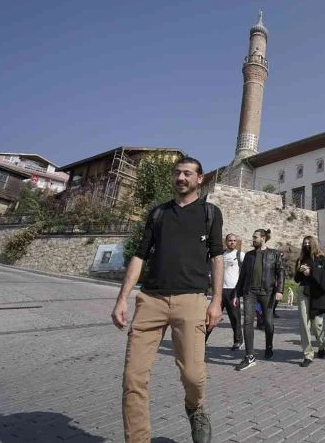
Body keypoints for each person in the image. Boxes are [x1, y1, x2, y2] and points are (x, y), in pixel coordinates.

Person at [111, 156, 222, 443]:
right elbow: (139, 255)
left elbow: (217, 258)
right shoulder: (158, 213)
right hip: (151, 301)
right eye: (177, 173)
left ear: (200, 179)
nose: (181, 178)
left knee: (194, 376)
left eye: (187, 173)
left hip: (191, 301)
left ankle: (194, 408)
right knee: (133, 378)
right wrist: (122, 298)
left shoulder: (210, 213)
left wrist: (216, 301)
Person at [233, 229, 284, 371]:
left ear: (263, 238)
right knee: (248, 322)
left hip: (267, 292)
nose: (253, 239)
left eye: (255, 237)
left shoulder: (274, 254)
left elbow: (281, 273)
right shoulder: (249, 256)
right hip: (250, 292)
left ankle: (269, 346)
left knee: (268, 322)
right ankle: (249, 356)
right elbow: (242, 276)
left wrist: (279, 290)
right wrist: (236, 294)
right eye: (253, 237)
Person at [295, 235, 325, 367]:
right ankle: (308, 354)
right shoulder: (300, 259)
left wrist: (311, 272)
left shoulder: (321, 259)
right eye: (304, 243)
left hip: (317, 294)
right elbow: (296, 279)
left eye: (308, 243)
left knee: (317, 325)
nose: (306, 245)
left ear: (313, 244)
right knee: (304, 324)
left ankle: (321, 345)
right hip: (303, 291)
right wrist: (300, 271)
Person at [205, 233, 243, 348]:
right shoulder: (220, 255)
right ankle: (202, 339)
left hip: (233, 291)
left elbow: (245, 273)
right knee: (211, 316)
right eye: (230, 240)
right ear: (226, 242)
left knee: (235, 318)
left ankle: (238, 341)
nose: (232, 242)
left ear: (236, 242)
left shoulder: (240, 255)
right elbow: (212, 270)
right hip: (219, 291)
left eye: (234, 240)